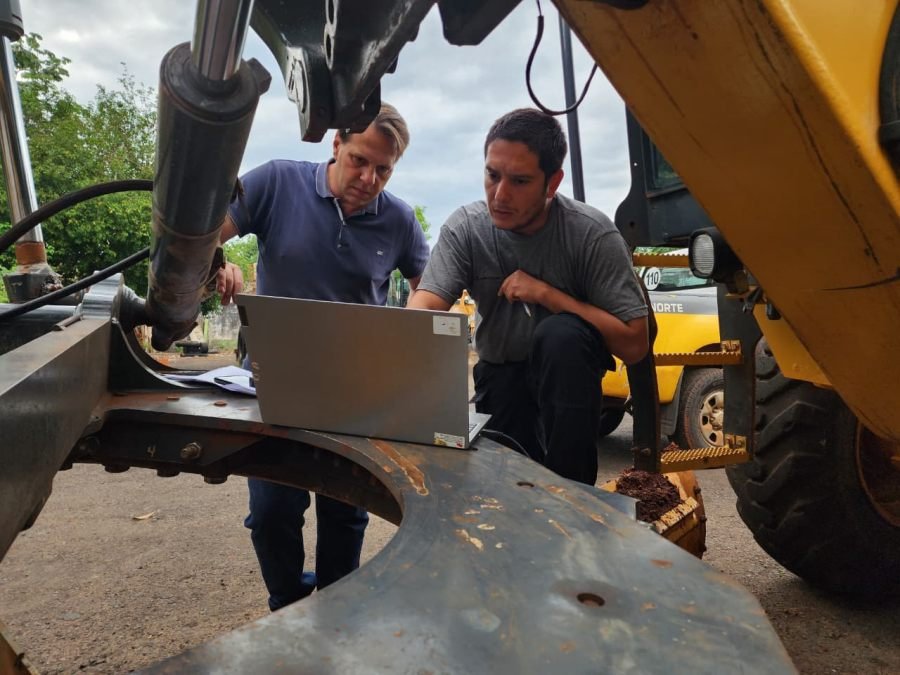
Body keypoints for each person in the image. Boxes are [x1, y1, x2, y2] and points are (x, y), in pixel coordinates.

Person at [216, 103, 429, 611]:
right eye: (359, 160)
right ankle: (287, 602)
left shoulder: (398, 219)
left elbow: (430, 286)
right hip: (273, 377)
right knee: (271, 509)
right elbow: (206, 230)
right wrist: (219, 261)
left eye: (383, 169)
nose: (369, 178)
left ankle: (336, 609)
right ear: (335, 143)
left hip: (354, 389)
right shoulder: (274, 183)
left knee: (345, 508)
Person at [408, 108, 648, 486]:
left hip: (569, 380)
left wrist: (549, 295)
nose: (499, 195)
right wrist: (403, 341)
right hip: (501, 376)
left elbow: (635, 345)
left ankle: (574, 502)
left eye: (519, 181)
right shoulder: (467, 228)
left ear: (552, 182)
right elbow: (423, 308)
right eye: (492, 175)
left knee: (561, 336)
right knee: (505, 493)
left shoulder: (591, 234)